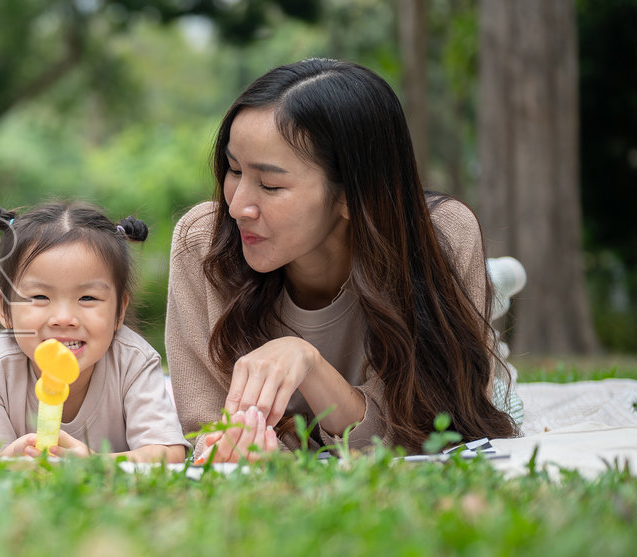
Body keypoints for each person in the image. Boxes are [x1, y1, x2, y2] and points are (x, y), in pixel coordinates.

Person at [165, 58, 519, 463]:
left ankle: (494, 292)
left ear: (355, 194)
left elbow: (438, 430)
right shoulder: (203, 243)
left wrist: (308, 363)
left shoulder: (443, 236)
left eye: (270, 184)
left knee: (503, 390)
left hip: (456, 340)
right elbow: (207, 428)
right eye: (232, 170)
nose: (238, 206)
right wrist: (267, 453)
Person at [0, 201, 188, 464]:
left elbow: (168, 453)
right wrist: (11, 460)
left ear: (119, 311)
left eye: (88, 298)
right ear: (5, 309)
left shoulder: (134, 361)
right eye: (40, 296)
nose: (64, 319)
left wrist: (96, 462)